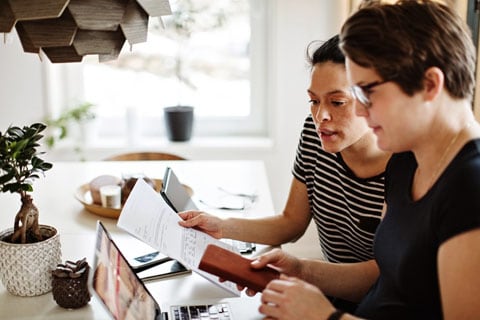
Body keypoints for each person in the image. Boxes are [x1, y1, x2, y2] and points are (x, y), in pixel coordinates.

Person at [240, 1, 480, 319]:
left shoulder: (470, 186)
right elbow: (385, 279)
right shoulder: (406, 161)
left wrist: (325, 317)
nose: (361, 111)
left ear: (430, 84)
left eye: (368, 93)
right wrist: (301, 271)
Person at [179, 35, 390, 266]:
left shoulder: (404, 163)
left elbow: (383, 275)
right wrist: (221, 226)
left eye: (337, 102)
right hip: (330, 293)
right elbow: (291, 224)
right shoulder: (315, 132)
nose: (321, 116)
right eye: (314, 101)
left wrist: (300, 271)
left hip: (371, 301)